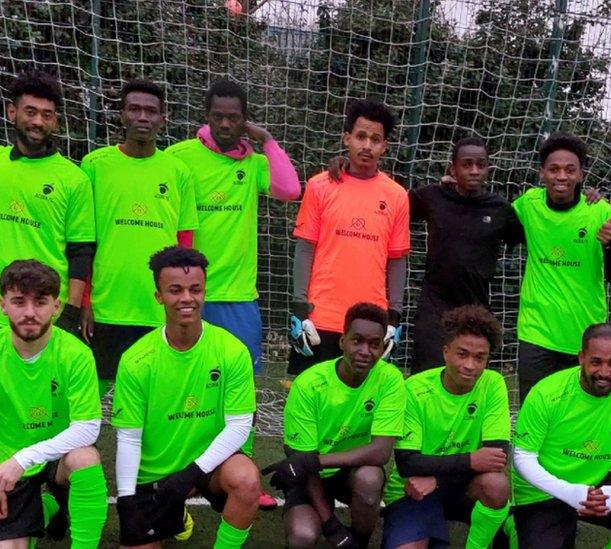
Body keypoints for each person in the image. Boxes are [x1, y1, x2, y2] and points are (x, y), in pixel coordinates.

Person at [166, 78, 299, 511]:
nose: (226, 124)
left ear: (244, 119)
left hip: (240, 297)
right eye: (219, 116)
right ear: (206, 115)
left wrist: (268, 141)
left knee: (242, 394)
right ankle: (180, 474)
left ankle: (241, 473)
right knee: (185, 389)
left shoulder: (254, 162)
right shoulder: (180, 158)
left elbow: (289, 189)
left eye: (234, 117)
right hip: (190, 295)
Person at [0, 259, 107, 547]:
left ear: (56, 307)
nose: (30, 313)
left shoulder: (76, 354)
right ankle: (46, 509)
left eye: (40, 302)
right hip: (5, 460)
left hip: (58, 456)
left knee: (85, 458)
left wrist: (23, 459)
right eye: (19, 302)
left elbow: (87, 428)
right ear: (2, 305)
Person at [112, 246, 260, 548]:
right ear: (159, 296)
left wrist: (190, 475)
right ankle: (173, 514)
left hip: (210, 467)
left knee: (246, 479)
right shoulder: (136, 360)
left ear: (205, 292)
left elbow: (240, 426)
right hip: (155, 475)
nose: (186, 299)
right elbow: (128, 437)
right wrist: (126, 500)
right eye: (175, 290)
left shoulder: (231, 350)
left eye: (195, 289)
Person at [80, 79, 198, 397]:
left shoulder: (178, 172)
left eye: (151, 111)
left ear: (163, 119)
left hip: (157, 309)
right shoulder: (95, 165)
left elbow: (184, 245)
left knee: (154, 401)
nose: (142, 117)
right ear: (121, 115)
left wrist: (179, 302)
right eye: (134, 109)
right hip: (106, 307)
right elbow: (83, 240)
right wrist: (85, 300)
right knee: (88, 403)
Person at [512, 324, 611, 548]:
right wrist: (568, 492)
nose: (605, 372)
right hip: (541, 492)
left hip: (594, 487)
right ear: (581, 357)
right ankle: (513, 524)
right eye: (596, 362)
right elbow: (522, 457)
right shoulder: (546, 393)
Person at [265, 302, 405, 549]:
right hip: (308, 477)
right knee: (303, 536)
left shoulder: (390, 379)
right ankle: (332, 529)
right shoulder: (309, 385)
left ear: (383, 347)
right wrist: (332, 527)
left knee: (370, 480)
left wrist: (314, 460)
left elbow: (381, 452)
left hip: (348, 472)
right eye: (357, 341)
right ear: (342, 342)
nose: (365, 351)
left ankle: (358, 541)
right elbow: (303, 466)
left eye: (374, 344)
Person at [288, 99, 410, 379]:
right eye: (360, 136)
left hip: (371, 325)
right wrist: (299, 309)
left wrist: (394, 316)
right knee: (309, 406)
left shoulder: (396, 195)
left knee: (365, 412)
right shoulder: (320, 185)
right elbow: (306, 247)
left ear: (385, 147)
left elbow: (397, 259)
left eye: (376, 139)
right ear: (347, 138)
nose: (367, 145)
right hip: (320, 321)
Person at [0, 70, 95, 338]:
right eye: (30, 112)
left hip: (47, 315)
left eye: (46, 115)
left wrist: (70, 311)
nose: (38, 121)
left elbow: (81, 250)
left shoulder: (74, 179)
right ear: (12, 113)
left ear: (56, 122)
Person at [381, 305, 510, 549]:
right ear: (446, 352)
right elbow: (408, 462)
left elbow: (497, 457)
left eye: (479, 357)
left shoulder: (493, 384)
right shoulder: (415, 389)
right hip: (412, 491)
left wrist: (437, 479)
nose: (470, 365)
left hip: (462, 488)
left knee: (496, 484)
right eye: (462, 354)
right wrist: (472, 460)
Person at [513, 132, 611, 402]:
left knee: (581, 415)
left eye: (569, 170)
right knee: (535, 410)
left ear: (581, 175)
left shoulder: (598, 211)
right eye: (554, 169)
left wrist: (610, 245)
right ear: (542, 173)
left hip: (586, 337)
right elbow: (491, 223)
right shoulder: (529, 204)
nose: (561, 176)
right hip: (536, 333)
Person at [408, 137, 523, 373]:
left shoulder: (499, 209)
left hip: (477, 310)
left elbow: (537, 233)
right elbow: (388, 203)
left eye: (481, 165)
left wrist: (586, 198)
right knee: (426, 380)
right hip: (434, 309)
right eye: (467, 164)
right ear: (453, 168)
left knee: (470, 382)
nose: (474, 170)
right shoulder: (431, 197)